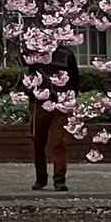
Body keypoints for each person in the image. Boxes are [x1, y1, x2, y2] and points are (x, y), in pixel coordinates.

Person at [28, 42, 77, 193]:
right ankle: (40, 178)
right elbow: (30, 77)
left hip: (61, 103)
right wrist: (33, 96)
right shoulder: (35, 52)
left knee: (58, 142)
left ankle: (59, 180)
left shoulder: (66, 54)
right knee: (38, 141)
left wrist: (71, 98)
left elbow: (75, 79)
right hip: (40, 103)